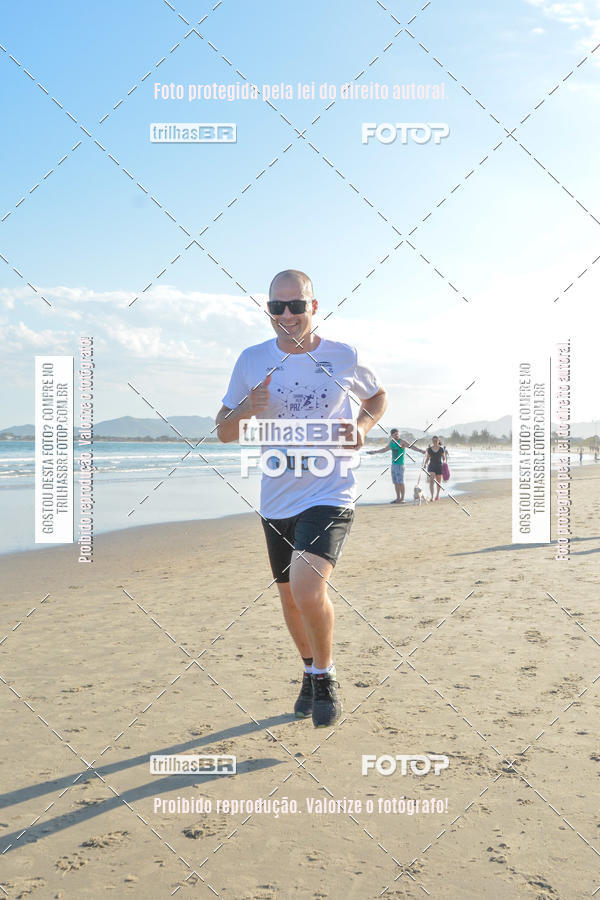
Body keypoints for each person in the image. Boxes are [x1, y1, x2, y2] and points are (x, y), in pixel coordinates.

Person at [215, 270, 387, 728]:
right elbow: (224, 432)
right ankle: (310, 670)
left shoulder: (343, 355)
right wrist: (246, 409)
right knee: (291, 600)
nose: (287, 314)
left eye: (296, 305)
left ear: (314, 306)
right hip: (276, 498)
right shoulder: (252, 360)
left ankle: (325, 676)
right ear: (268, 309)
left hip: (331, 491)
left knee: (308, 588)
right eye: (278, 306)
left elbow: (376, 397)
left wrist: (362, 427)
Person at [367, 428, 425, 503]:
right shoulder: (391, 443)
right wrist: (374, 452)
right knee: (395, 483)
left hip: (400, 465)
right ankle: (398, 498)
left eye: (398, 434)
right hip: (393, 465)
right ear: (392, 435)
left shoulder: (402, 441)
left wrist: (420, 451)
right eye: (395, 434)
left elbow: (411, 447)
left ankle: (402, 499)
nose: (397, 435)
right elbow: (384, 450)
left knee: (400, 482)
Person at [423, 435, 447, 501]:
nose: (435, 442)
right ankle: (432, 496)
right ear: (432, 441)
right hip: (431, 466)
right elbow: (428, 458)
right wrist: (425, 464)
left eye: (436, 441)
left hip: (439, 466)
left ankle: (437, 495)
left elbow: (444, 458)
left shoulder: (441, 449)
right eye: (433, 441)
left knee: (438, 482)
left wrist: (445, 463)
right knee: (431, 482)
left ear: (438, 441)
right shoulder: (429, 449)